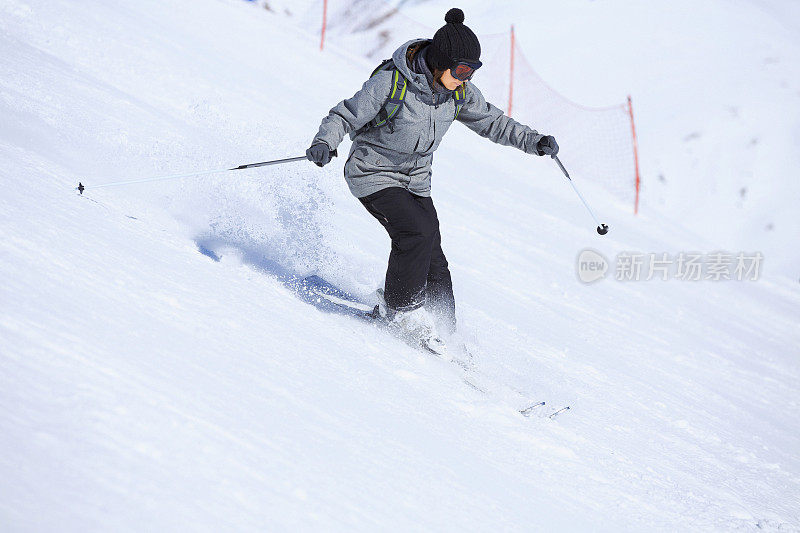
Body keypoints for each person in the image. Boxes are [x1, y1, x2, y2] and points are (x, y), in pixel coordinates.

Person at [307, 8, 559, 353]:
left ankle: (445, 332)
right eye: (460, 70)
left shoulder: (457, 91)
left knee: (433, 254)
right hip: (373, 173)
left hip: (415, 180)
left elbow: (493, 121)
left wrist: (534, 141)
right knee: (415, 233)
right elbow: (346, 114)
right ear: (440, 63)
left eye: (473, 70)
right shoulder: (391, 81)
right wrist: (325, 142)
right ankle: (400, 313)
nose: (466, 78)